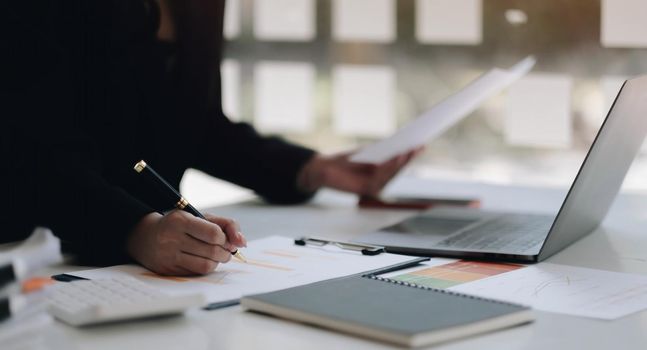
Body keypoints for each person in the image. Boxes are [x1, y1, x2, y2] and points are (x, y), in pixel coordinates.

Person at [1, 0, 418, 275]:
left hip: (141, 272)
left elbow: (194, 122)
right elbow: (28, 146)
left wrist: (312, 169)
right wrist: (133, 228)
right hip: (29, 259)